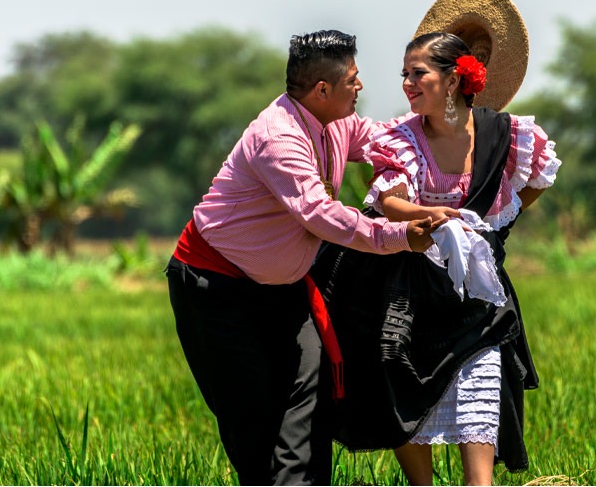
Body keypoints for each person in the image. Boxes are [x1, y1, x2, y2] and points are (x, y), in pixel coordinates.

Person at [165, 29, 450, 486]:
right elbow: (319, 213)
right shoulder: (278, 138)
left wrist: (447, 123)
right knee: (253, 418)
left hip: (284, 290)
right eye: (353, 80)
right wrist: (399, 235)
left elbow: (389, 140)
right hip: (216, 290)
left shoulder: (338, 123)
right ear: (322, 90)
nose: (361, 87)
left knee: (314, 400)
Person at [310, 24, 561, 485]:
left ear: (453, 79)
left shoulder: (507, 136)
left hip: (475, 297)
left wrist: (491, 226)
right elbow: (392, 201)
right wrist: (435, 218)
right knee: (400, 379)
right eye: (403, 74)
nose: (406, 84)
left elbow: (536, 182)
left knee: (482, 390)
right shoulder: (400, 138)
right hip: (407, 292)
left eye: (417, 73)